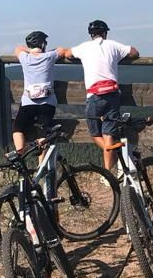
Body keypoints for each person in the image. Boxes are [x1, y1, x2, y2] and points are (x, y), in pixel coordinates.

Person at [59, 20, 139, 172]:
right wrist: (117, 57)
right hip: (112, 94)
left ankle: (112, 165)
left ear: (90, 34)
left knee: (95, 133)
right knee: (108, 133)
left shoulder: (84, 47)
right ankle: (110, 169)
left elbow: (68, 54)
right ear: (105, 33)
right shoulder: (113, 45)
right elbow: (134, 52)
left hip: (94, 95)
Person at [12, 31, 69, 150]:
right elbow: (62, 50)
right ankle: (41, 165)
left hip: (28, 102)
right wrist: (46, 52)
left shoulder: (25, 57)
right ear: (42, 44)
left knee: (18, 128)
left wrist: (30, 52)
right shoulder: (49, 56)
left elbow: (18, 49)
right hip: (47, 102)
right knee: (43, 134)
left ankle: (19, 156)